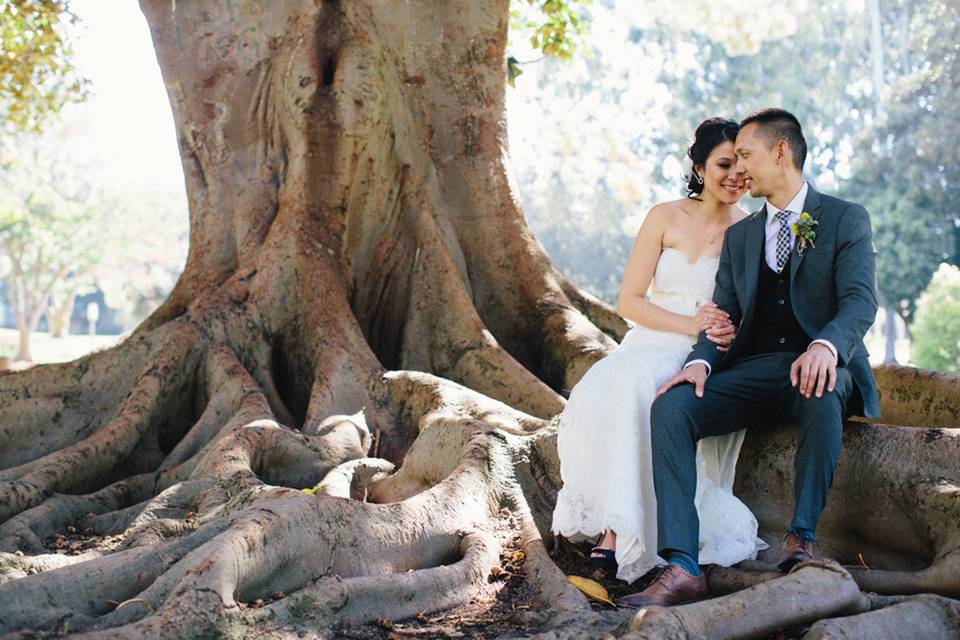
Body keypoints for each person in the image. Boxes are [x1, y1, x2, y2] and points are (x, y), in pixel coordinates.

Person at [617, 108, 880, 608]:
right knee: (671, 407)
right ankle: (682, 566)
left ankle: (801, 539)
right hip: (754, 369)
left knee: (821, 387)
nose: (739, 169)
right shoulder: (742, 235)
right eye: (731, 158)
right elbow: (724, 314)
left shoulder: (846, 218)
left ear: (781, 152)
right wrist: (700, 362)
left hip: (824, 365)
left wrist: (824, 347)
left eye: (746, 155)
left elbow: (859, 303)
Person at [551, 118, 767, 585]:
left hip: (701, 354)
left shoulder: (750, 230)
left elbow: (754, 310)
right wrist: (688, 321)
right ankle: (615, 527)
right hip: (649, 340)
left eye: (742, 167)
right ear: (699, 166)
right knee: (614, 384)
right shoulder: (664, 216)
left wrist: (721, 332)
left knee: (645, 393)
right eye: (723, 164)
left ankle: (613, 542)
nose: (735, 176)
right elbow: (630, 301)